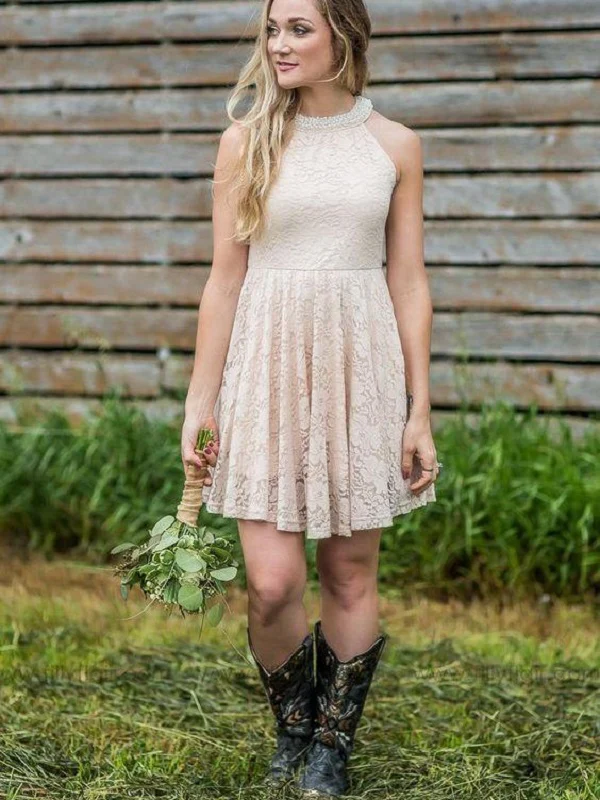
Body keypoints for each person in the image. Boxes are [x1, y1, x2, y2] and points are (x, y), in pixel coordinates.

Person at [180, 0, 441, 794]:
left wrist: (418, 407)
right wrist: (201, 401)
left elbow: (409, 280)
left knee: (352, 573)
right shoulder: (246, 141)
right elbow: (224, 282)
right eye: (272, 28)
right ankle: (293, 719)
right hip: (264, 369)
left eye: (299, 27)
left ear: (344, 35)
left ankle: (330, 744)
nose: (279, 44)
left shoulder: (393, 145)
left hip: (361, 366)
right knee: (271, 583)